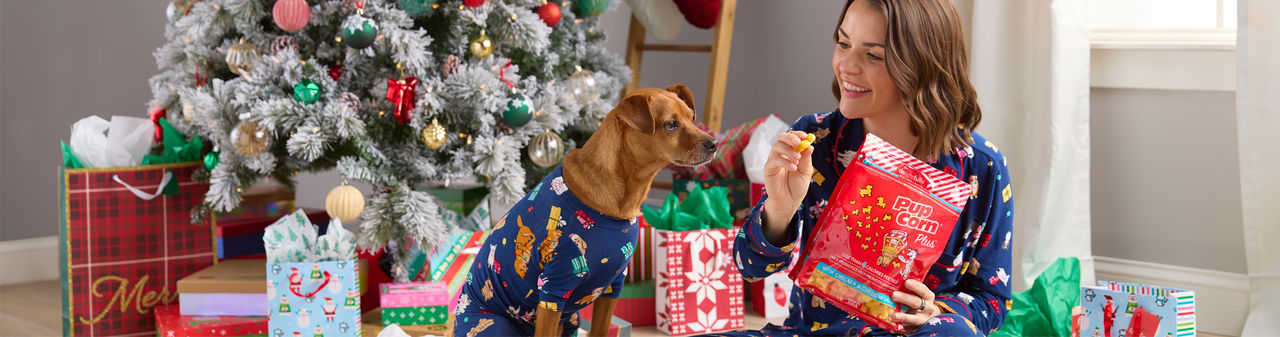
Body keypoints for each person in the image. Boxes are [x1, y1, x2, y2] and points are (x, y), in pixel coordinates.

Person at [722, 0, 1014, 336]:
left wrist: (935, 311)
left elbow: (991, 299)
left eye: (872, 55)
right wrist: (779, 208)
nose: (846, 65)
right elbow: (751, 267)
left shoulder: (982, 166)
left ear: (921, 66)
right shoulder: (815, 140)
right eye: (843, 43)